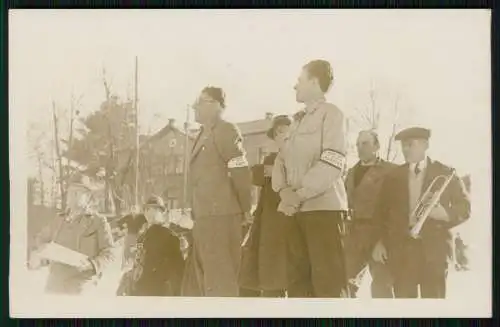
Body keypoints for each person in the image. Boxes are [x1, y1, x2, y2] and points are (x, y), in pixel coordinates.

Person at [272, 59, 349, 298]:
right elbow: (281, 159)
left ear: (315, 82)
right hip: (295, 212)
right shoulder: (297, 120)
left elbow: (333, 161)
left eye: (299, 81)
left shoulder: (332, 115)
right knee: (297, 287)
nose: (295, 86)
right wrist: (282, 190)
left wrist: (298, 195)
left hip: (323, 212)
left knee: (328, 287)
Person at [372, 127, 471, 298]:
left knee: (433, 308)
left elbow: (465, 207)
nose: (405, 149)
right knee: (405, 307)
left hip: (435, 252)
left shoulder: (445, 173)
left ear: (425, 145)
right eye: (403, 145)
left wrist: (445, 214)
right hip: (402, 251)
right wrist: (379, 242)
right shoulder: (393, 176)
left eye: (410, 145)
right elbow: (380, 213)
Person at [182, 86, 253, 297]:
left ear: (216, 105)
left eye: (201, 101)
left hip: (221, 217)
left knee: (220, 285)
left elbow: (241, 172)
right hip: (204, 218)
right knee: (204, 284)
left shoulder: (226, 130)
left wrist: (246, 210)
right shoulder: (203, 133)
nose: (195, 105)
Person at [28, 173, 116, 295]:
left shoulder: (98, 221)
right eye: (71, 192)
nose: (74, 196)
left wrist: (93, 264)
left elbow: (109, 253)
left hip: (81, 283)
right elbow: (40, 238)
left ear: (88, 197)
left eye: (79, 192)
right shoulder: (58, 220)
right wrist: (40, 251)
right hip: (54, 283)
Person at [239, 115, 292, 298]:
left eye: (286, 130)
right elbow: (254, 176)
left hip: (293, 224)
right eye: (278, 133)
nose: (282, 135)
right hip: (271, 225)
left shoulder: (303, 157)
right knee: (271, 281)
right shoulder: (271, 159)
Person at [343, 130, 396, 298]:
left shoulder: (391, 171)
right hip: (353, 235)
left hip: (379, 235)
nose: (360, 148)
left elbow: (395, 209)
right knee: (345, 284)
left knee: (382, 287)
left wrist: (384, 240)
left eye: (365, 143)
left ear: (377, 146)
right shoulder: (351, 173)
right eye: (358, 144)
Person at [120, 195, 185, 296]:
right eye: (148, 209)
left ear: (162, 212)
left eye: (155, 209)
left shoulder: (170, 236)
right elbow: (139, 260)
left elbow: (178, 270)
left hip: (159, 291)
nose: (151, 213)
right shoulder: (142, 236)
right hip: (141, 288)